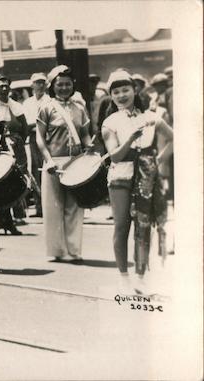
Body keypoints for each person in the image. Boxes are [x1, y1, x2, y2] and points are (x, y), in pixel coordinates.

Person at [101, 70, 173, 294]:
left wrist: (156, 160)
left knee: (143, 227)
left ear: (134, 90)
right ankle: (124, 277)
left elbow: (172, 138)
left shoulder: (149, 116)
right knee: (122, 226)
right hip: (121, 176)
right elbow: (115, 156)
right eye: (116, 92)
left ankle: (140, 277)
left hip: (145, 177)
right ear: (111, 96)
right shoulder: (109, 122)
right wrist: (131, 139)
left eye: (125, 90)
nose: (121, 95)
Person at [36, 65, 92, 262]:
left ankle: (74, 250)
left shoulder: (80, 108)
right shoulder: (46, 107)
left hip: (76, 162)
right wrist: (48, 160)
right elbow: (40, 138)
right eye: (60, 84)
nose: (64, 88)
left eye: (68, 84)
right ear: (53, 86)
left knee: (75, 207)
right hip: (55, 164)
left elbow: (85, 135)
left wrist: (90, 147)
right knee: (53, 207)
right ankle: (56, 251)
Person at [0, 75, 29, 235]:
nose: (4, 89)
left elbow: (25, 127)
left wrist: (18, 141)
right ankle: (1, 220)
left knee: (14, 183)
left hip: (15, 146)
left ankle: (12, 220)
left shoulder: (16, 106)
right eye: (1, 86)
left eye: (6, 86)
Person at [23, 72, 51, 218]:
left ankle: (48, 206)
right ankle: (39, 207)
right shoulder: (27, 103)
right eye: (37, 82)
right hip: (32, 138)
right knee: (35, 170)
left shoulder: (49, 101)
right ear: (32, 85)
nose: (39, 85)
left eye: (42, 82)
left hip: (48, 138)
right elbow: (26, 123)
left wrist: (36, 124)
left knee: (47, 169)